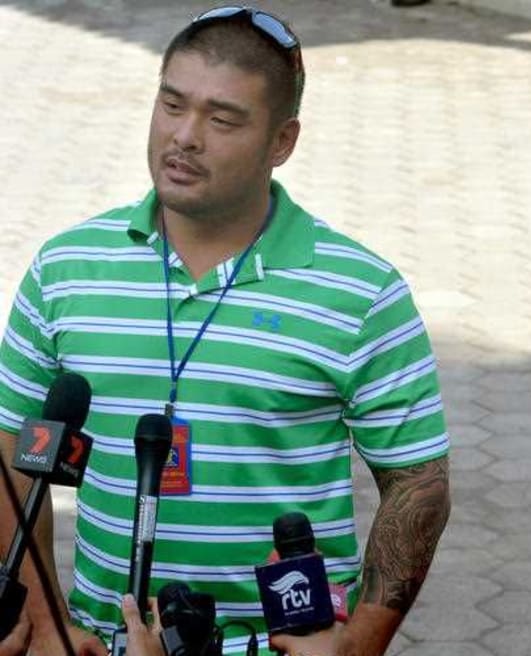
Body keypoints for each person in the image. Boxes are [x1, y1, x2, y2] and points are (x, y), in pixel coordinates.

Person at [0, 6, 451, 655]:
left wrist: (357, 645)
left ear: (282, 142)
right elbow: (12, 441)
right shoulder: (65, 269)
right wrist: (45, 621)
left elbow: (418, 484)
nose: (184, 136)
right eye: (172, 105)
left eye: (222, 120)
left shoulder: (362, 292)